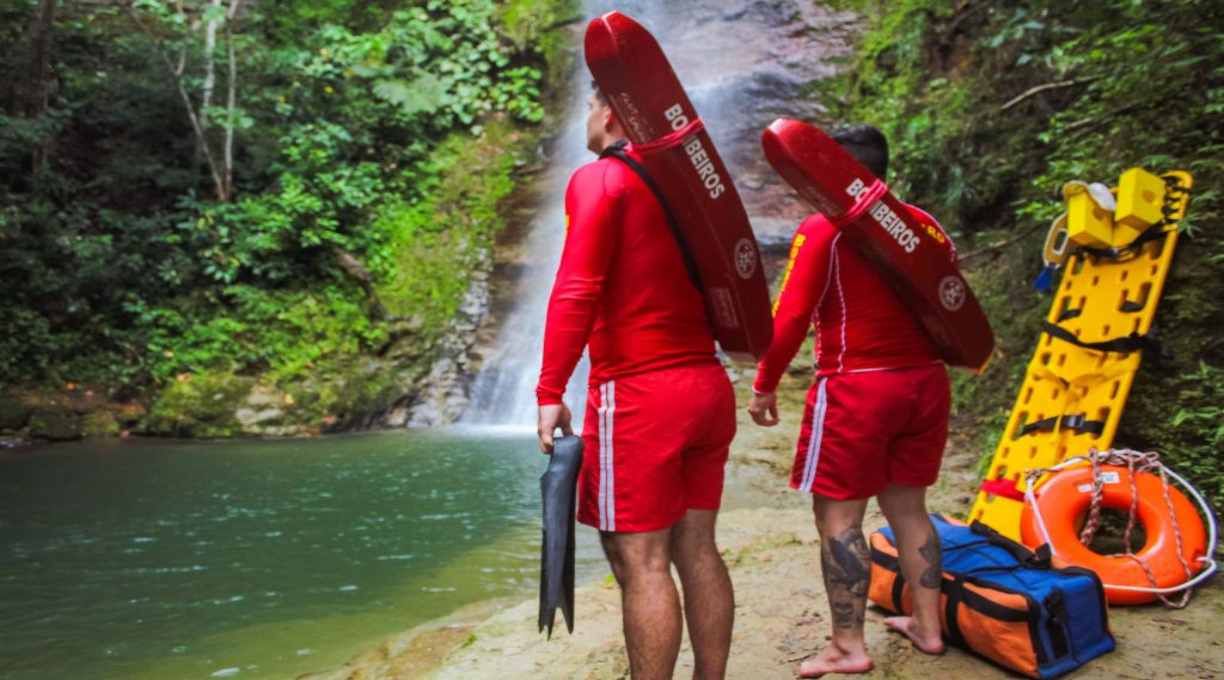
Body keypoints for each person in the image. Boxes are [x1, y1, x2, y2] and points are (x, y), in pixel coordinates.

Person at [535, 83, 737, 680]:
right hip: (707, 384)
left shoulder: (600, 179)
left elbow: (577, 288)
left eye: (589, 105)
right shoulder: (690, 190)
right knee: (697, 545)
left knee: (642, 561)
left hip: (640, 395)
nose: (585, 118)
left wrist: (550, 390)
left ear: (613, 111)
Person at [748, 125, 952, 677]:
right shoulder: (925, 226)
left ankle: (847, 646)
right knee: (909, 508)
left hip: (856, 388)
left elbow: (790, 315)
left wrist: (765, 382)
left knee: (838, 518)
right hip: (926, 385)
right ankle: (929, 629)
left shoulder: (826, 230)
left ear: (839, 172)